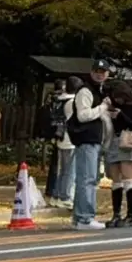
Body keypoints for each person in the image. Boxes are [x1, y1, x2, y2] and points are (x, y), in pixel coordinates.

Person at [70, 59, 111, 229]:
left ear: (107, 74)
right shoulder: (86, 91)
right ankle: (84, 217)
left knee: (89, 178)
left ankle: (80, 217)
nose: (100, 74)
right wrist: (103, 108)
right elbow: (83, 115)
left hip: (94, 140)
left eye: (103, 71)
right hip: (87, 139)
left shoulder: (97, 91)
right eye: (97, 71)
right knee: (87, 179)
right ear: (91, 72)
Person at [107, 87, 132, 227]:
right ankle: (116, 214)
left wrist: (121, 115)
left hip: (128, 141)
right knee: (116, 180)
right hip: (114, 141)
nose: (117, 100)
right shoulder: (112, 105)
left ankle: (131, 214)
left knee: (129, 179)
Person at [47, 78, 76, 208]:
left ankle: (56, 195)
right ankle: (65, 196)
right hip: (71, 138)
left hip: (61, 137)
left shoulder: (59, 101)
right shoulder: (73, 102)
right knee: (70, 170)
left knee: (62, 169)